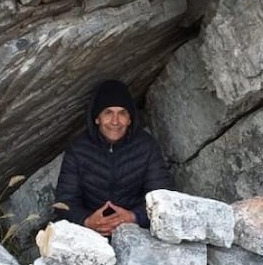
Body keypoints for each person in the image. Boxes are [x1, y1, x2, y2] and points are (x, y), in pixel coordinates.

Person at [54, 79, 174, 236]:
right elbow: (65, 201)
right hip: (90, 233)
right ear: (97, 118)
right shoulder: (78, 149)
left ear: (130, 119)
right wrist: (87, 221)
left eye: (122, 113)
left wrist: (133, 217)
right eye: (108, 113)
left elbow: (162, 196)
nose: (115, 121)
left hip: (136, 232)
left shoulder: (146, 147)